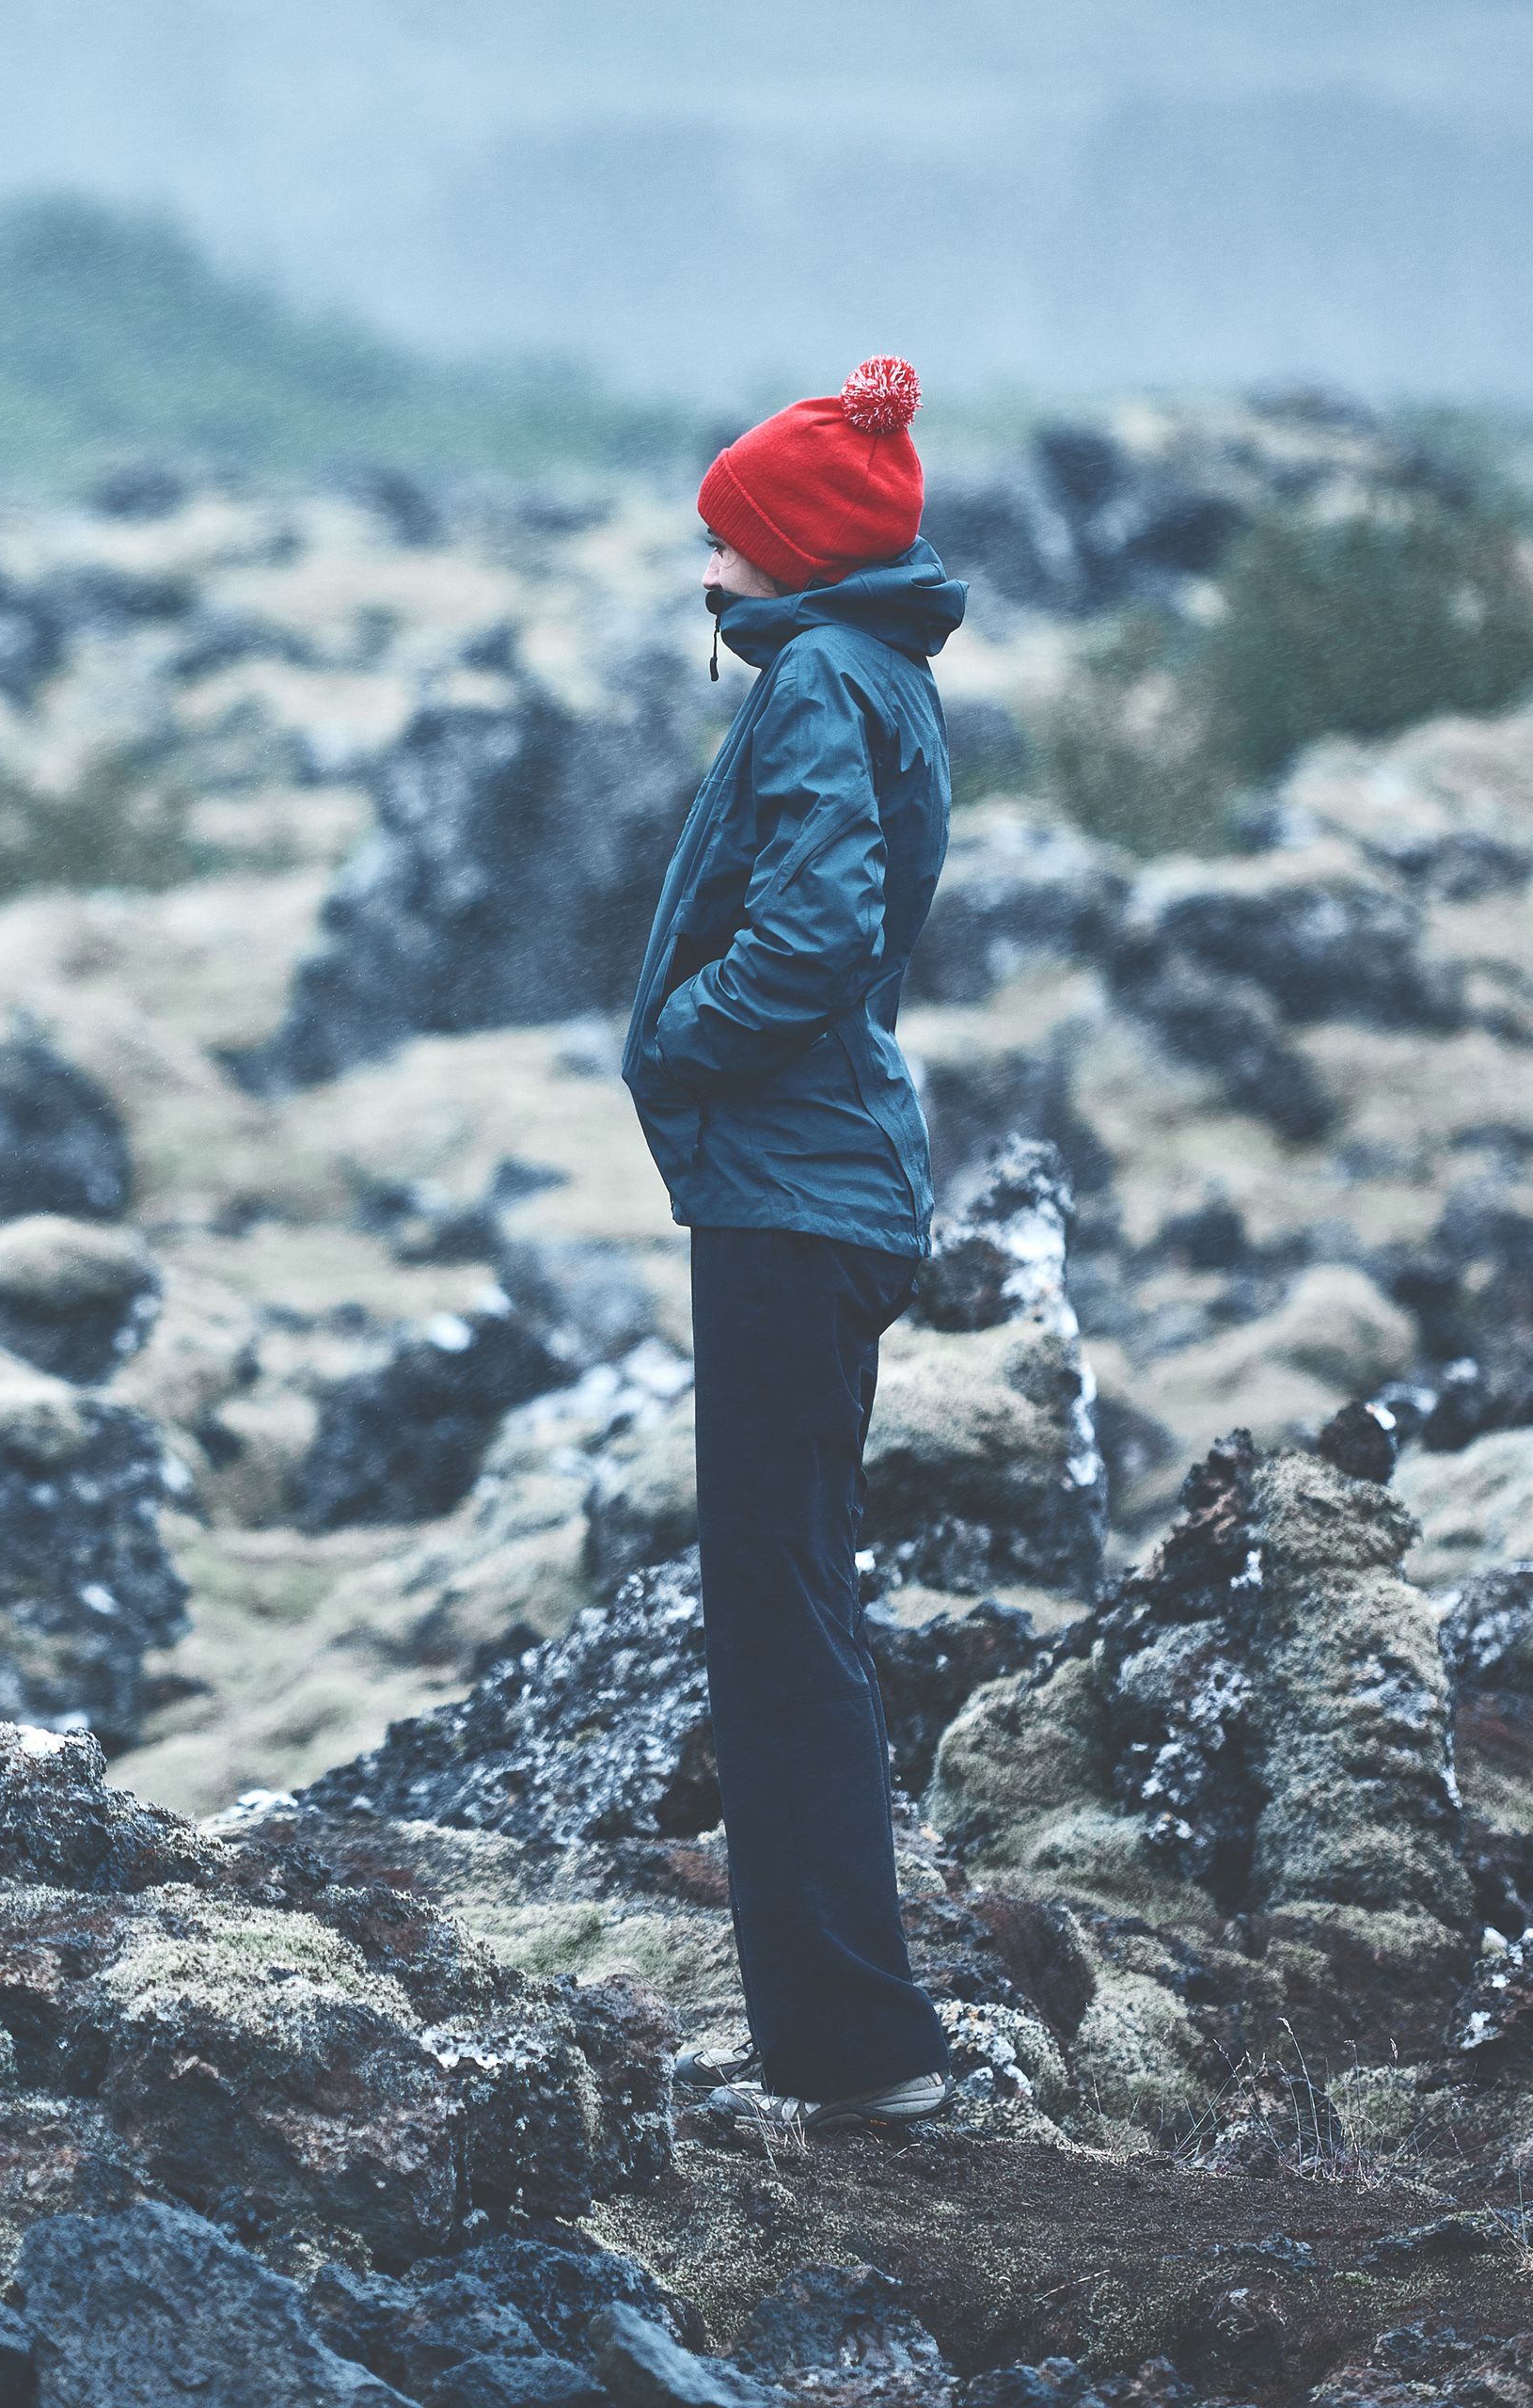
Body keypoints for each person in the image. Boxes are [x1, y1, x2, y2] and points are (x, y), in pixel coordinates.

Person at [618, 355, 965, 2141]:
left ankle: (853, 2046)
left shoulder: (825, 676)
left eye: (728, 537)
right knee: (794, 1604)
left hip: (789, 1190)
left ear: (795, 554)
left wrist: (680, 1040)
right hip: (818, 1183)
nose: (705, 565)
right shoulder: (871, 669)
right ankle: (844, 2037)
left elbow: (819, 932)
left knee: (778, 1618)